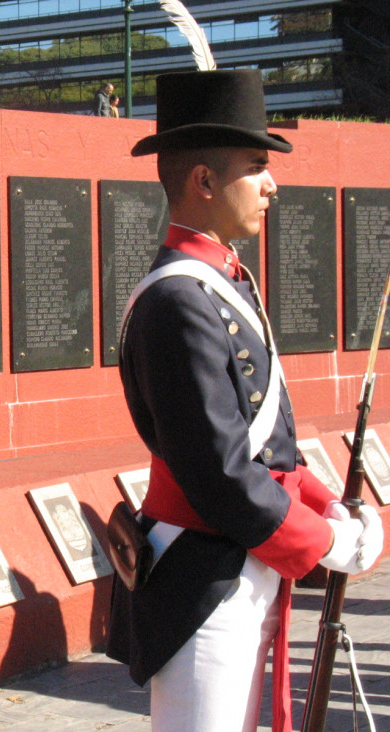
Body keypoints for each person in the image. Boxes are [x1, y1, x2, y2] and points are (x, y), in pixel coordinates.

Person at [105, 69, 384, 732]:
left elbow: (266, 447)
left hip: (239, 563)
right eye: (257, 167)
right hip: (205, 576)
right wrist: (324, 543)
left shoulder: (216, 282)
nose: (272, 184)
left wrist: (335, 510)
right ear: (204, 180)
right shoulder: (178, 302)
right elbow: (220, 472)